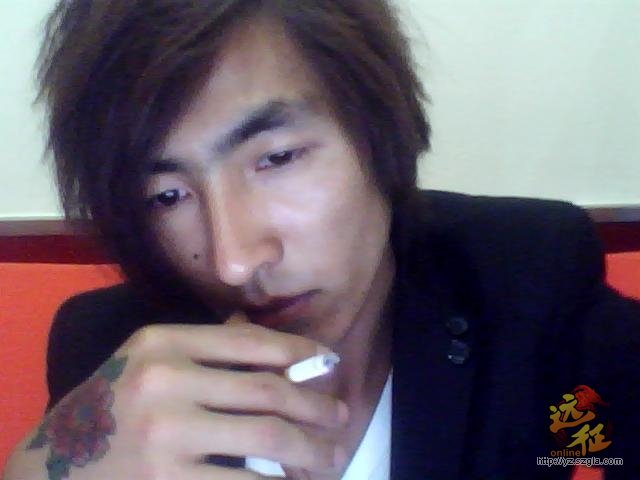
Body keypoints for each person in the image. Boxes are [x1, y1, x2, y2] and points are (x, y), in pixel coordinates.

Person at [3, 1, 639, 479]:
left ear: (379, 129)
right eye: (166, 196)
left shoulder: (523, 284)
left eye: (277, 157)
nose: (234, 260)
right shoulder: (113, 351)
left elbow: (596, 438)